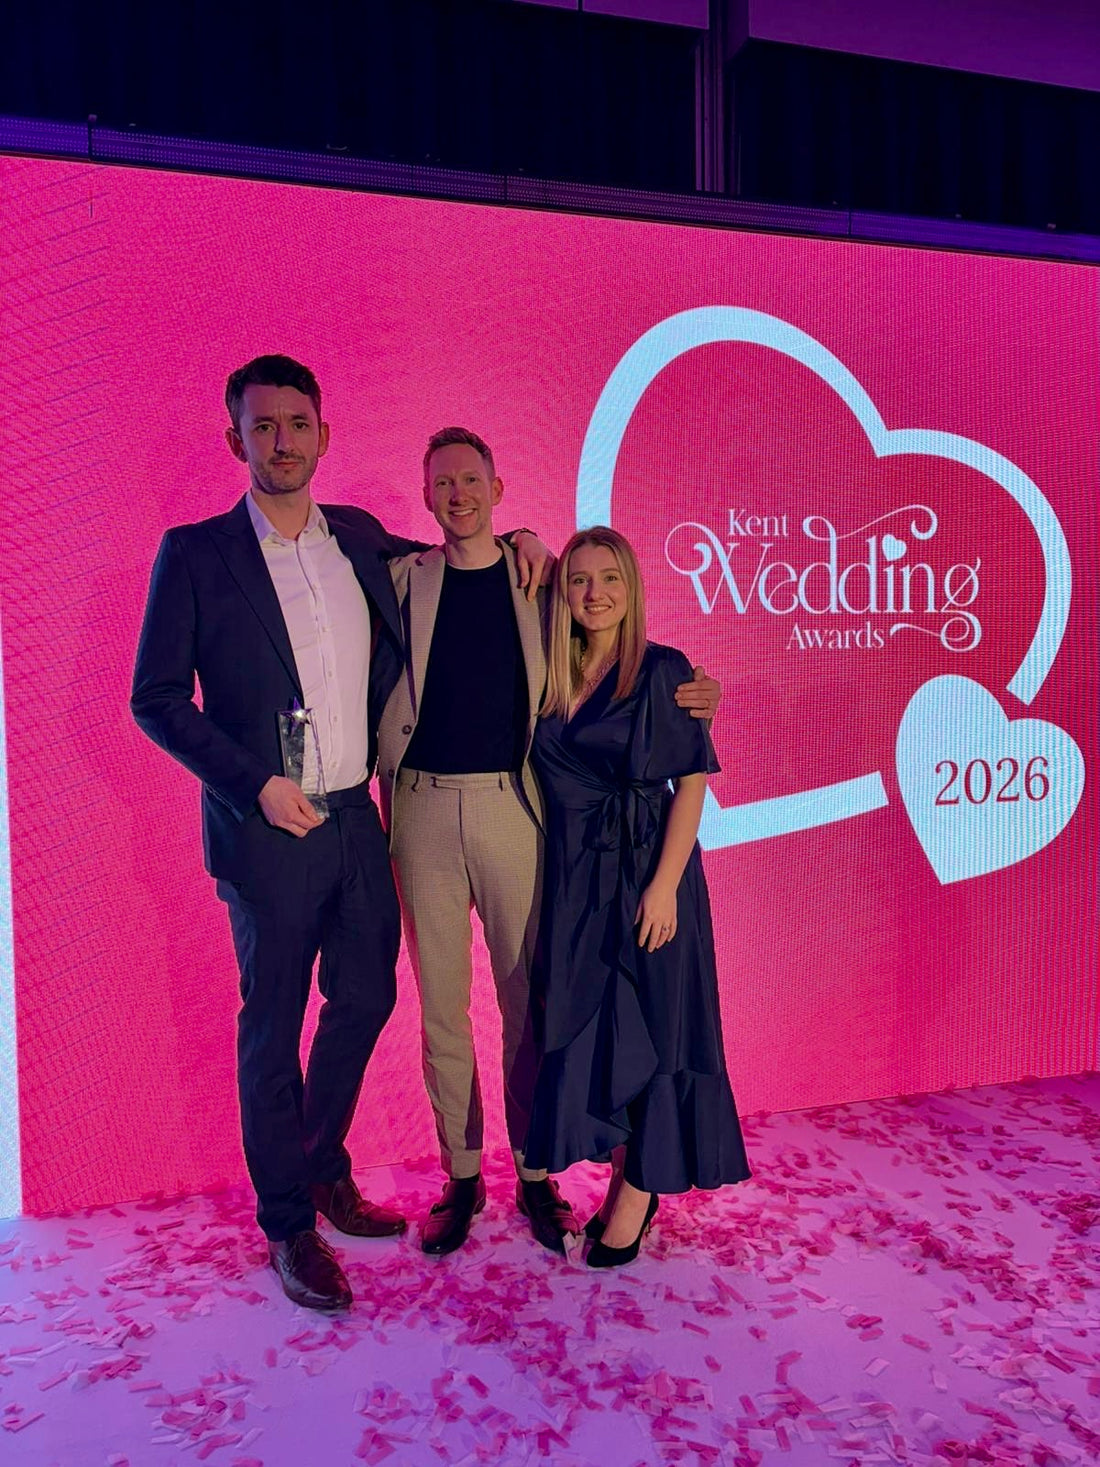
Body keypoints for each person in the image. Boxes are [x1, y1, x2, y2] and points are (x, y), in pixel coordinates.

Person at [131, 360, 548, 1312]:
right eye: (263, 425)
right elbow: (154, 697)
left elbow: (459, 548)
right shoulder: (195, 554)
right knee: (271, 1027)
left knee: (363, 999)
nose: (281, 439)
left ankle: (320, 1164)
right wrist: (255, 784)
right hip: (266, 823)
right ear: (236, 440)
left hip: (361, 814)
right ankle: (288, 1223)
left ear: (323, 435)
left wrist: (522, 536)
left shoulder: (360, 541)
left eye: (297, 423)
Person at [376, 430, 722, 1257]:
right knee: (442, 1012)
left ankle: (536, 1172)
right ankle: (462, 1179)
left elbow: (619, 639)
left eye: (471, 480)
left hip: (511, 806)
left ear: (498, 488)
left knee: (530, 1001)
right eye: (442, 483)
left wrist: (696, 691)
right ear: (425, 496)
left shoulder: (537, 583)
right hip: (419, 809)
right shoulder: (399, 576)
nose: (457, 493)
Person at [524, 526, 750, 1268]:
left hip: (652, 873)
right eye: (581, 580)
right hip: (578, 884)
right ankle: (624, 1166)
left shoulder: (663, 669)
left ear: (633, 586)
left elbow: (690, 782)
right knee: (602, 1027)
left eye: (610, 578)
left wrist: (662, 888)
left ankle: (638, 1189)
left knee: (657, 1027)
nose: (595, 594)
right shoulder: (553, 673)